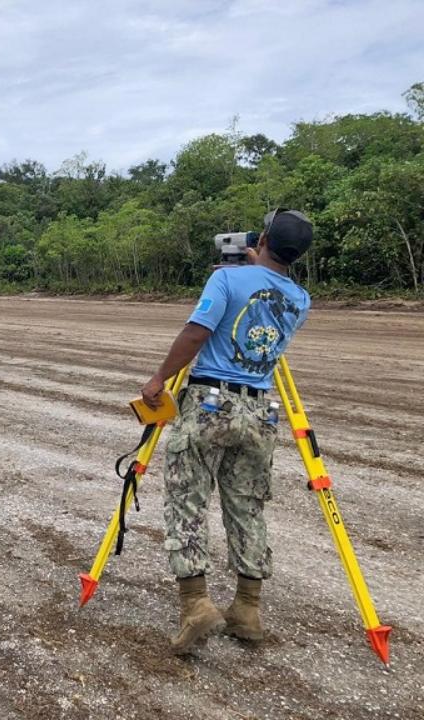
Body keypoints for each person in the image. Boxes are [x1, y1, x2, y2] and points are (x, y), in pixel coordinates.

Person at [139, 209, 313, 654]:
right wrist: (258, 265)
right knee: (247, 507)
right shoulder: (300, 299)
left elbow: (198, 333)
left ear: (265, 236)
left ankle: (196, 604)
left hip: (210, 403)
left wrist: (159, 378)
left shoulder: (226, 280)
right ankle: (247, 609)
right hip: (261, 412)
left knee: (186, 499)